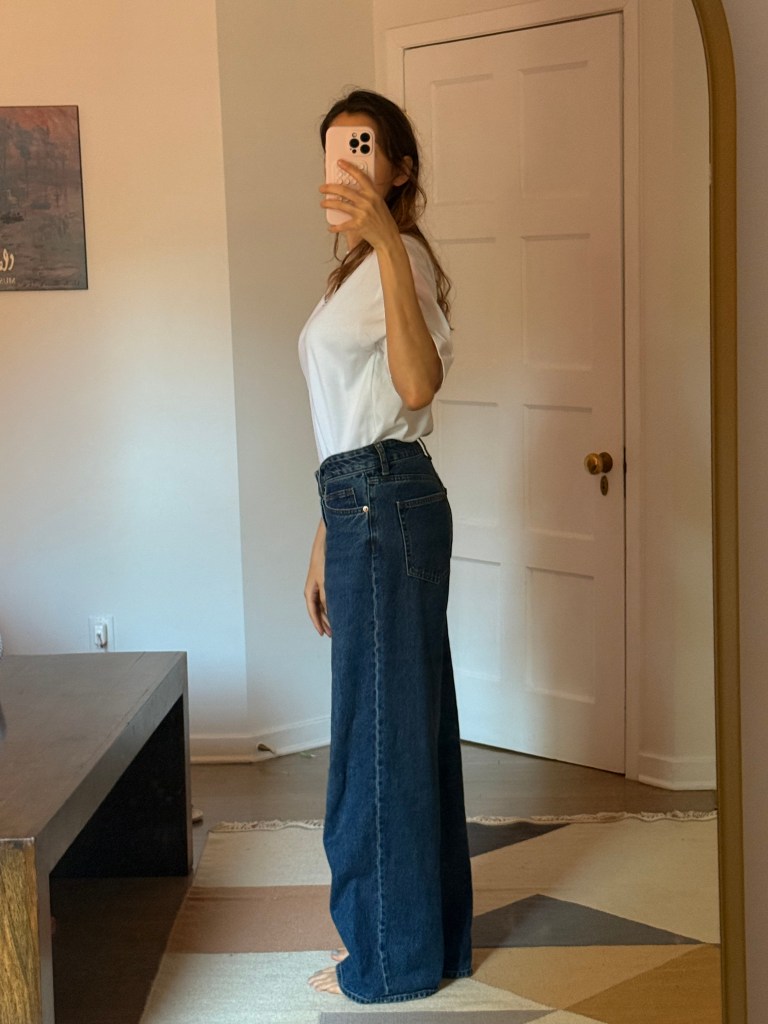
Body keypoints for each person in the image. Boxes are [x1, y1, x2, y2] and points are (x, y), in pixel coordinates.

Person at [299, 89, 473, 1005]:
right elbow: (348, 417)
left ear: (398, 169)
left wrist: (390, 247)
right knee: (403, 729)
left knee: (377, 741)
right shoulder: (357, 273)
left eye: (362, 151)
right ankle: (427, 946)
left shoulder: (399, 259)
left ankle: (386, 963)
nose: (344, 169)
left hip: (385, 501)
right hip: (364, 503)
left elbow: (415, 384)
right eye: (334, 153)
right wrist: (323, 535)